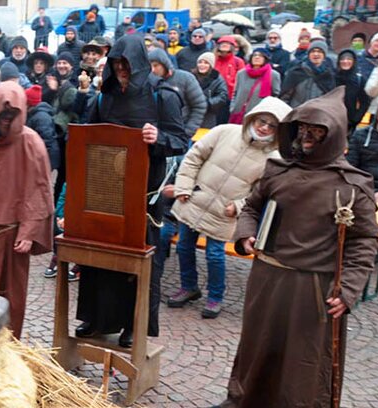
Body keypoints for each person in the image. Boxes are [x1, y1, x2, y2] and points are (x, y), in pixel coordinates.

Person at [210, 88, 378, 408]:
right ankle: (242, 407)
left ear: (332, 135)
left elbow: (365, 240)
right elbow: (252, 208)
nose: (307, 137)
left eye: (316, 132)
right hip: (268, 276)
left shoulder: (352, 185)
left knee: (304, 358)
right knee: (258, 346)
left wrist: (347, 289)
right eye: (302, 129)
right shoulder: (277, 170)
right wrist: (245, 235)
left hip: (314, 286)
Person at [75, 35, 188, 348]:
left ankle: (132, 323)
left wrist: (158, 136)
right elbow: (89, 132)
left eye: (126, 64)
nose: (122, 70)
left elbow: (180, 141)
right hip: (106, 189)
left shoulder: (162, 95)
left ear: (138, 64)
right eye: (117, 64)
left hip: (144, 194)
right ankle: (97, 318)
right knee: (99, 257)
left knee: (137, 262)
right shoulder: (105, 94)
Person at [167, 97, 291, 319]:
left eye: (272, 125)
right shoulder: (224, 131)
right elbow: (194, 157)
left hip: (225, 212)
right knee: (184, 246)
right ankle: (189, 287)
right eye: (262, 121)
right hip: (194, 200)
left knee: (215, 255)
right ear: (253, 118)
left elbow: (262, 191)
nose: (264, 128)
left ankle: (215, 296)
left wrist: (239, 206)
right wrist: (183, 186)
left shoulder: (274, 158)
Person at [0, 83, 54, 339]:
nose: (5, 123)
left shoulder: (30, 143)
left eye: (11, 117)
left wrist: (28, 231)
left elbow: (38, 189)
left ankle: (7, 349)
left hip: (13, 234)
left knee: (11, 296)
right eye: (2, 116)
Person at [147, 48, 207, 137]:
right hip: (156, 135)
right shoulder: (148, 81)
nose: (152, 70)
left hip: (181, 132)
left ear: (164, 64)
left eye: (156, 65)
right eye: (150, 66)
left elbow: (199, 105)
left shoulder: (185, 78)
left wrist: (188, 131)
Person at [229, 50, 279, 124]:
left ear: (265, 59)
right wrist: (232, 108)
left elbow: (275, 95)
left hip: (258, 115)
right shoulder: (241, 73)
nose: (257, 57)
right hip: (238, 114)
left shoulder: (273, 75)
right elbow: (235, 93)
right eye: (254, 55)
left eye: (260, 55)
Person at [281, 40, 336, 107]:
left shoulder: (329, 75)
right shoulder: (296, 72)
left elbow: (332, 100)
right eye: (313, 51)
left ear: (324, 55)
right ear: (308, 54)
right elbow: (284, 97)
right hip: (297, 113)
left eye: (319, 51)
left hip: (320, 114)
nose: (316, 54)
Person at [194, 53, 230, 130]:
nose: (202, 65)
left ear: (211, 65)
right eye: (200, 62)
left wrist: (208, 103)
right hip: (190, 114)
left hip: (208, 115)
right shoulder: (191, 76)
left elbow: (223, 96)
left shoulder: (217, 79)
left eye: (206, 63)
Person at [335, 49, 370, 130]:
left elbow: (365, 102)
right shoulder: (332, 77)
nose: (345, 61)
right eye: (342, 59)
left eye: (349, 59)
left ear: (354, 61)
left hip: (349, 122)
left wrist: (356, 119)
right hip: (332, 118)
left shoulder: (359, 79)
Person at [213, 36, 245, 112]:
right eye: (222, 43)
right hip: (215, 96)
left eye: (227, 44)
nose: (224, 45)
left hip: (231, 96)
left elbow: (242, 80)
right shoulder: (213, 59)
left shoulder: (238, 61)